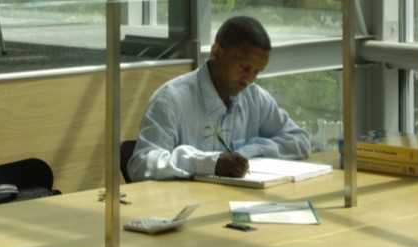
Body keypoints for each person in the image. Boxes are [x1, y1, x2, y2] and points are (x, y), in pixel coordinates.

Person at [127, 15, 313, 181]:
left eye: (257, 71)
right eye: (245, 68)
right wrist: (208, 163)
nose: (249, 79)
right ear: (216, 52)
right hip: (188, 209)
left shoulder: (254, 97)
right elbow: (142, 163)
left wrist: (250, 151)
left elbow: (299, 140)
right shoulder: (171, 100)